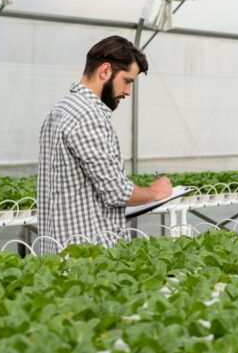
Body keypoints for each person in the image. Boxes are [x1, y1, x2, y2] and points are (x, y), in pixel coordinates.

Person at [36, 36, 172, 253]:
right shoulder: (88, 116)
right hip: (89, 257)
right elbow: (116, 192)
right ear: (105, 71)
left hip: (60, 251)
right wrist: (154, 192)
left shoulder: (59, 110)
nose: (128, 92)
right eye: (127, 81)